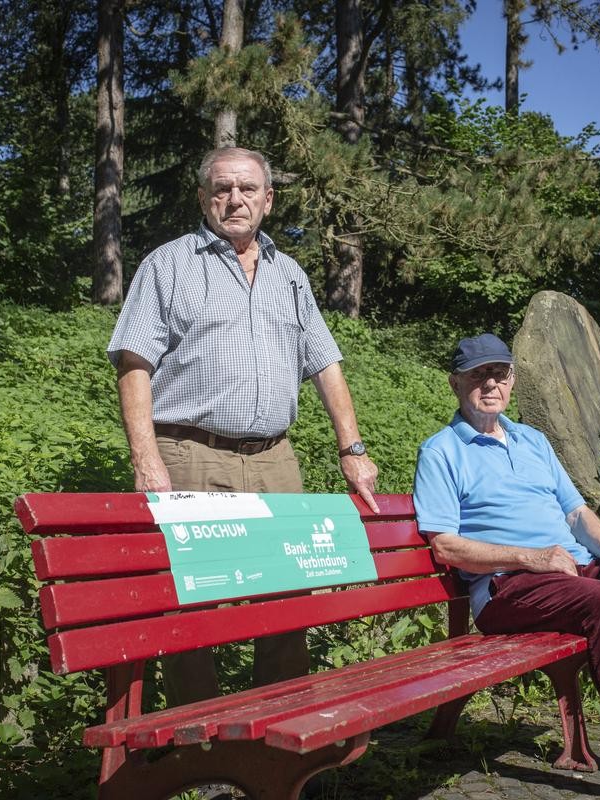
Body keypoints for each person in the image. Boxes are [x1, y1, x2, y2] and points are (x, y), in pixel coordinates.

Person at [107, 146, 379, 704]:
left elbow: (325, 363)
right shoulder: (168, 264)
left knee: (288, 598)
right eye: (223, 188)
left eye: (248, 189)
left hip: (275, 457)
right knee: (193, 599)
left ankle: (278, 726)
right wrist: (145, 457)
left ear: (268, 200)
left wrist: (351, 447)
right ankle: (199, 736)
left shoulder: (291, 275)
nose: (236, 199)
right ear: (204, 198)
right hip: (189, 453)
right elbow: (134, 362)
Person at [413, 333, 600, 800]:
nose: (490, 383)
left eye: (499, 373)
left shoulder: (532, 440)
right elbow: (447, 548)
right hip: (507, 588)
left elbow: (576, 512)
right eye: (479, 375)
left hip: (572, 573)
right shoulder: (441, 451)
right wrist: (530, 558)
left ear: (512, 381)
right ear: (456, 383)